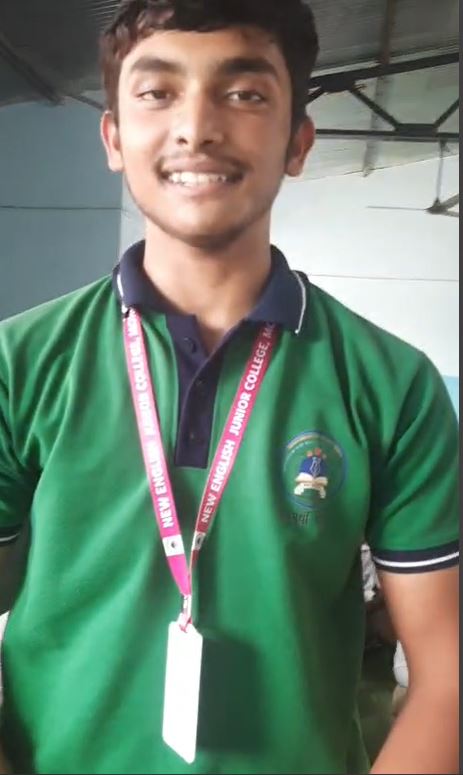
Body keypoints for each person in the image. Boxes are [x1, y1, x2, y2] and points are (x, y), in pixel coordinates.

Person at [0, 1, 459, 773]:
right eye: (157, 92)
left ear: (298, 142)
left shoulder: (391, 384)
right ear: (113, 138)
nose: (196, 127)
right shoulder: (19, 364)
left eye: (244, 94)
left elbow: (445, 676)